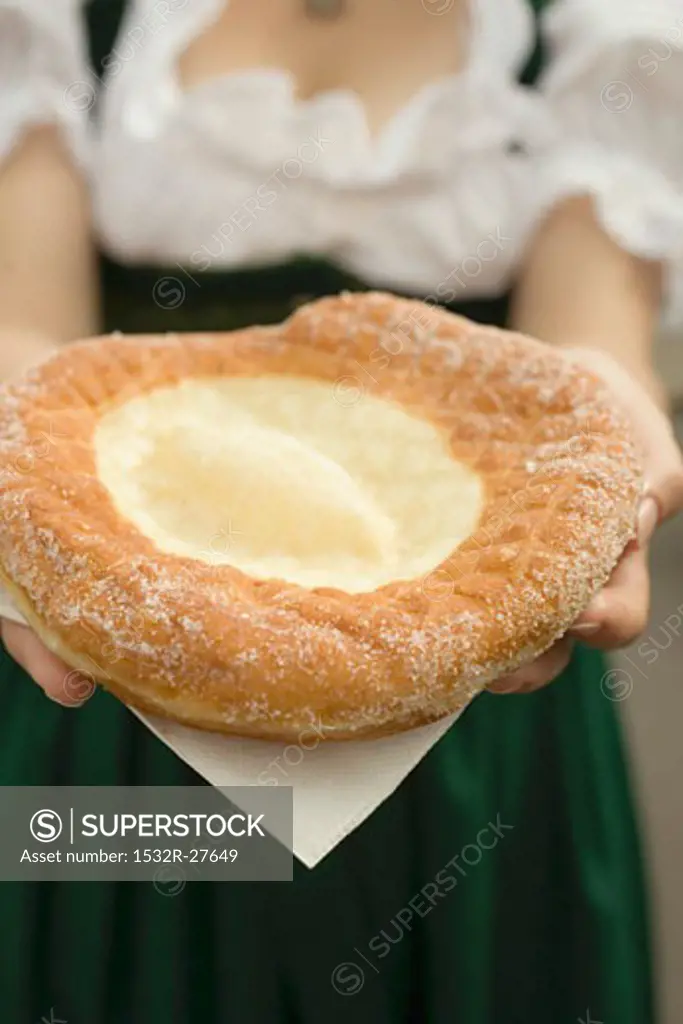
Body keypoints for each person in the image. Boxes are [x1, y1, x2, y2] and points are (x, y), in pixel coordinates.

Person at [1, 0, 682, 1020]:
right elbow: (27, 343)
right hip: (120, 677)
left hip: (471, 699)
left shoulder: (597, 27)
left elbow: (585, 360)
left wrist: (607, 431)